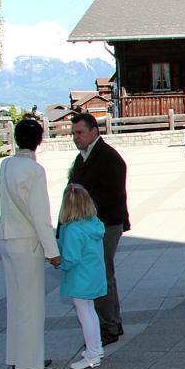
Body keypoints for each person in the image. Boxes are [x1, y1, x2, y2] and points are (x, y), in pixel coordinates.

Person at [0, 119, 60, 369]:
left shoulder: (6, 165)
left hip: (7, 238)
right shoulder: (34, 170)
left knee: (16, 302)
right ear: (39, 141)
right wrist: (52, 250)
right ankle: (29, 364)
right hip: (27, 242)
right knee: (31, 305)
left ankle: (18, 356)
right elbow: (39, 215)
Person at [68, 112, 130, 346]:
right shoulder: (82, 158)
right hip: (90, 224)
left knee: (101, 273)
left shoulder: (108, 157)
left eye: (80, 133)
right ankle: (113, 322)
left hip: (107, 223)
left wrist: (83, 205)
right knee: (102, 273)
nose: (76, 137)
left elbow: (111, 195)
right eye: (74, 133)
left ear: (94, 131)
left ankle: (109, 327)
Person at [56, 184, 107, 369]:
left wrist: (57, 262)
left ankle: (92, 354)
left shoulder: (73, 229)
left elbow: (70, 258)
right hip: (92, 275)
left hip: (80, 278)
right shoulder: (94, 223)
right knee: (90, 312)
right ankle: (96, 348)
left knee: (84, 314)